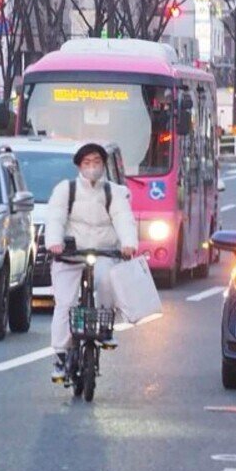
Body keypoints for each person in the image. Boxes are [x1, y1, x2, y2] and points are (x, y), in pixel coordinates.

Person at [44, 143, 138, 383]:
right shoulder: (66, 190)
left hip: (104, 252)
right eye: (87, 162)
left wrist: (128, 243)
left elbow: (123, 218)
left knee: (108, 281)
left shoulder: (113, 192)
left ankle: (106, 329)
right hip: (70, 255)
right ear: (79, 166)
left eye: (97, 162)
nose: (92, 167)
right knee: (65, 303)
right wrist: (54, 242)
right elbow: (55, 217)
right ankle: (61, 356)